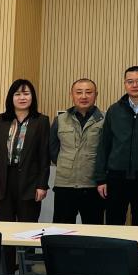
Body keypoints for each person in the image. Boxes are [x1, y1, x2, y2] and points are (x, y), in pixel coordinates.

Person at [0, 79, 49, 272]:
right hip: (2, 181)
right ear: (11, 97)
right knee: (5, 227)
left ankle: (27, 269)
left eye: (26, 93)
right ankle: (8, 269)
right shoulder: (0, 120)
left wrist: (42, 184)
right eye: (17, 94)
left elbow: (44, 155)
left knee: (28, 228)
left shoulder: (41, 121)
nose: (22, 97)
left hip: (30, 182)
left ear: (32, 97)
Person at [94, 66, 138, 226]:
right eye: (130, 81)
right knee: (113, 224)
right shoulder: (114, 110)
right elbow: (104, 145)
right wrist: (101, 179)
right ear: (125, 84)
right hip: (115, 177)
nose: (134, 85)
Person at [49, 78, 105, 225]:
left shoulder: (105, 120)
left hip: (93, 185)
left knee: (93, 231)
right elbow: (53, 149)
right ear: (72, 95)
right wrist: (66, 163)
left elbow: (107, 151)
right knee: (61, 231)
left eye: (88, 92)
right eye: (79, 92)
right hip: (64, 185)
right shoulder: (60, 120)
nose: (83, 96)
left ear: (96, 94)